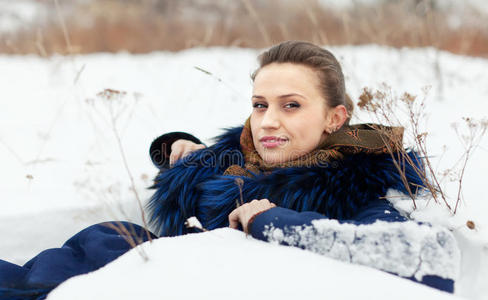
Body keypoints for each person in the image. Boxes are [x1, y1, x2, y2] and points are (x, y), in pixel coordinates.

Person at [0, 41, 459, 300]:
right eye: (260, 105)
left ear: (335, 118)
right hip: (128, 260)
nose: (268, 121)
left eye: (291, 106)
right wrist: (187, 152)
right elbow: (224, 165)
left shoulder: (360, 182)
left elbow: (428, 257)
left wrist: (270, 219)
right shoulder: (250, 150)